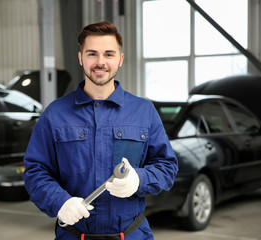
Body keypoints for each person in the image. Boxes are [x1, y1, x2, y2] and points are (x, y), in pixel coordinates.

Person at [23, 21, 178, 240]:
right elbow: (35, 171)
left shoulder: (144, 111)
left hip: (132, 234)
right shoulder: (55, 114)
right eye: (92, 54)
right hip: (74, 235)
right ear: (80, 58)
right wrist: (61, 201)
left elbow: (167, 167)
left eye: (109, 54)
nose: (100, 62)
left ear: (120, 60)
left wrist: (139, 179)